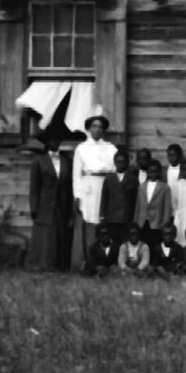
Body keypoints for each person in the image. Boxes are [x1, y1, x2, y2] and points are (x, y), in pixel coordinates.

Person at [71, 114, 118, 269]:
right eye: (94, 126)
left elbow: (116, 170)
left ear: (104, 130)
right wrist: (77, 195)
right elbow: (76, 174)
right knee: (89, 220)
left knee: (103, 218)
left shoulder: (111, 148)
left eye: (100, 127)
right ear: (89, 129)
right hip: (88, 186)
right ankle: (86, 260)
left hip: (105, 184)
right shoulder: (82, 148)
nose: (97, 130)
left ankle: (105, 260)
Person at [25, 139, 71, 271]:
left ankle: (59, 264)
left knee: (59, 233)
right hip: (44, 203)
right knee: (45, 234)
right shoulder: (39, 160)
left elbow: (68, 185)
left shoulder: (66, 160)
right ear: (47, 142)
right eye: (52, 139)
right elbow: (34, 186)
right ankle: (41, 263)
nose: (55, 142)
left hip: (62, 203)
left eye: (57, 140)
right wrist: (34, 207)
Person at [134, 161, 174, 246]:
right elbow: (138, 207)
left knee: (155, 245)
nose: (153, 174)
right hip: (142, 222)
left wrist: (164, 224)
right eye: (151, 171)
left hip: (157, 222)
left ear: (159, 172)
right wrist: (136, 223)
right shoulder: (141, 187)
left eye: (155, 171)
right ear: (147, 172)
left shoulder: (165, 188)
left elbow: (167, 209)